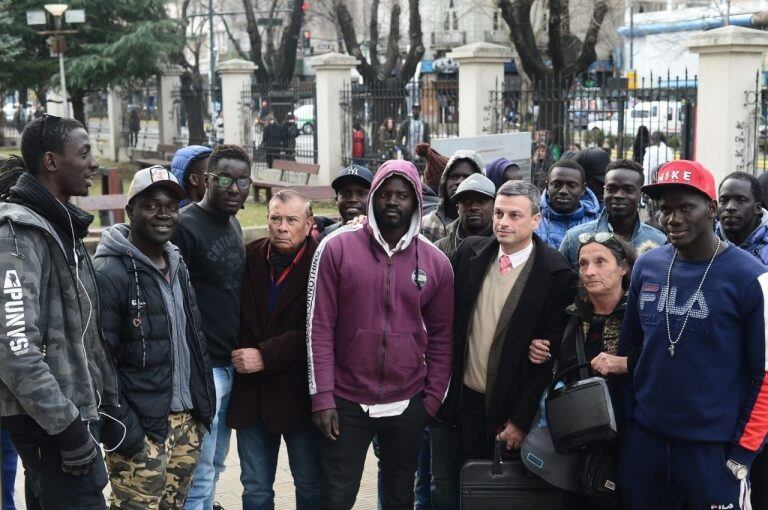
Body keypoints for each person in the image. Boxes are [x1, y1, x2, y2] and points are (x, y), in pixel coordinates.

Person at [618, 160, 768, 508]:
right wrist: (631, 430)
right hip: (647, 444)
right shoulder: (647, 265)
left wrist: (742, 455)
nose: (673, 219)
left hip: (713, 452)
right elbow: (633, 352)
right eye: (666, 209)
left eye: (686, 207)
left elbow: (764, 375)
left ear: (711, 208)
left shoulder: (750, 277)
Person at [307, 159, 454, 510]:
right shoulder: (336, 248)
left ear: (416, 202)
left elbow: (443, 337)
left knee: (398, 496)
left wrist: (430, 401)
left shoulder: (436, 263)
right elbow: (319, 327)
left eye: (402, 195)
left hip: (407, 401)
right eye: (385, 193)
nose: (392, 201)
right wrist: (322, 397)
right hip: (346, 400)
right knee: (336, 497)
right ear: (373, 197)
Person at [431, 180, 576, 510]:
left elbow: (549, 361)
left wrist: (520, 420)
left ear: (536, 220)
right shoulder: (470, 253)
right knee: (448, 487)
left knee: (496, 496)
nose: (503, 222)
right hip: (460, 402)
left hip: (507, 411)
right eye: (499, 213)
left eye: (515, 215)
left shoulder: (556, 274)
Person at [0, 116, 119, 509]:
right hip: (49, 427)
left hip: (68, 419)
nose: (94, 163)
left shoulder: (59, 226)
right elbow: (14, 348)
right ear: (51, 161)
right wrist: (69, 431)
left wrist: (106, 401)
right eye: (83, 153)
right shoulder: (17, 233)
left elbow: (81, 330)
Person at [94, 167, 215, 509]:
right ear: (131, 210)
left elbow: (194, 339)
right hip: (141, 428)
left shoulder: (178, 264)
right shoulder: (109, 272)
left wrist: (202, 410)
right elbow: (100, 362)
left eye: (171, 206)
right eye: (152, 205)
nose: (163, 214)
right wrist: (127, 430)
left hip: (186, 422)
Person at [227, 190, 320, 510]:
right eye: (275, 218)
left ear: (308, 224)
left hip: (300, 397)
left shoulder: (322, 260)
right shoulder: (248, 257)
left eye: (291, 220)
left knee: (309, 485)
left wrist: (266, 355)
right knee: (255, 489)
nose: (282, 227)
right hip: (251, 396)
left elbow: (319, 328)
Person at [530, 232, 636, 510]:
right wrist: (539, 350)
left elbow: (662, 363)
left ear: (623, 267)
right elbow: (551, 361)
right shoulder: (570, 315)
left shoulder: (640, 314)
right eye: (583, 264)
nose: (590, 272)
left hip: (631, 435)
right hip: (580, 435)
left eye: (601, 262)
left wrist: (625, 363)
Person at [175, 145, 251, 510]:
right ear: (206, 181)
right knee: (198, 471)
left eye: (242, 181)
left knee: (217, 465)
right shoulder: (184, 227)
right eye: (224, 180)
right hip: (202, 370)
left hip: (230, 364)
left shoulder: (234, 223)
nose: (234, 189)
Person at [716, 171, 768, 508]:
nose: (730, 207)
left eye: (740, 200)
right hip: (716, 383)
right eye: (724, 200)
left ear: (758, 207)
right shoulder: (699, 241)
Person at [560, 159, 666, 268]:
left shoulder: (659, 241)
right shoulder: (574, 239)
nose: (618, 195)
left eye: (628, 190)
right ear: (604, 191)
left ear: (641, 194)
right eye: (611, 189)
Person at [535, 159, 601, 249]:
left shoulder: (597, 222)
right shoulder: (532, 219)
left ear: (583, 189)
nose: (563, 191)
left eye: (572, 185)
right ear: (547, 187)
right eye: (556, 185)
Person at [421, 150, 484, 242]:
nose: (459, 182)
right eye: (454, 176)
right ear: (444, 181)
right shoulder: (426, 225)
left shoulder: (491, 225)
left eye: (467, 177)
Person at [434, 173, 496, 258]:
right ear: (457, 208)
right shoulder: (438, 250)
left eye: (481, 200)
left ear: (494, 206)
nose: (473, 207)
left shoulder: (505, 246)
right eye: (466, 201)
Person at [320, 164, 374, 239]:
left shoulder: (381, 236)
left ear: (373, 199)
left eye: (362, 193)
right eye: (345, 193)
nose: (353, 199)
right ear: (336, 199)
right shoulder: (324, 237)